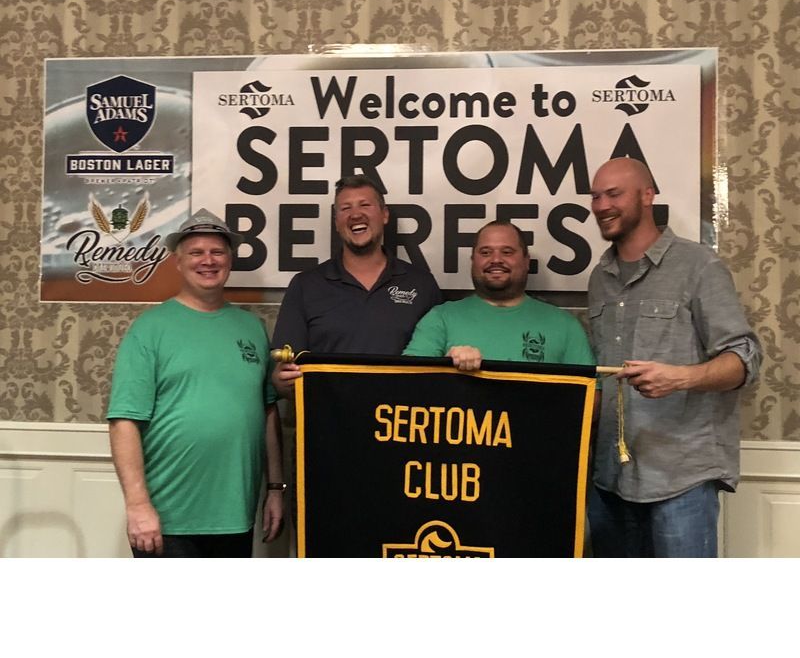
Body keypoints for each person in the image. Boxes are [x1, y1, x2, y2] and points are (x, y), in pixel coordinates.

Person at [586, 157, 762, 558]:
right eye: (595, 196)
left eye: (614, 194)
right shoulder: (600, 277)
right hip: (610, 480)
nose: (601, 205)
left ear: (647, 195)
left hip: (680, 480)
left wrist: (680, 378)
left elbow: (746, 358)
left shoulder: (699, 265)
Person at [107, 208, 284, 557]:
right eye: (196, 252)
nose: (208, 261)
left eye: (217, 252)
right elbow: (123, 421)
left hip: (236, 516)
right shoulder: (150, 329)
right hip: (168, 520)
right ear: (178, 261)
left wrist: (276, 489)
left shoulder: (251, 329)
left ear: (230, 259)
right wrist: (138, 506)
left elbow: (267, 412)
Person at [271, 175, 442, 396]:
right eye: (345, 208)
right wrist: (281, 380)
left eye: (365, 205)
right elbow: (285, 370)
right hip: (328, 426)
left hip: (398, 426)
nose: (355, 214)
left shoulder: (421, 283)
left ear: (385, 215)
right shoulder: (305, 285)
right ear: (336, 222)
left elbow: (440, 366)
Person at [403, 220, 595, 369]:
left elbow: (591, 400)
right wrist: (445, 367)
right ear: (473, 260)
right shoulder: (440, 318)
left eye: (507, 252)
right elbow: (406, 384)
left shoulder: (564, 325)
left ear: (526, 261)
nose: (496, 260)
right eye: (485, 252)